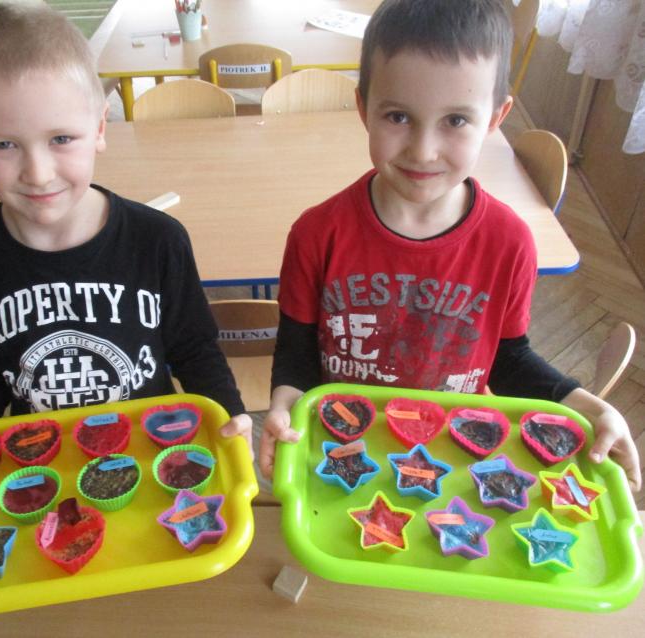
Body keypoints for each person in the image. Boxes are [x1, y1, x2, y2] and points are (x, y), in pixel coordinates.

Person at [258, 0, 641, 492]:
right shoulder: (316, 234)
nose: (423, 150)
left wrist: (588, 406)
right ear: (364, 109)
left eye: (456, 120)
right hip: (340, 449)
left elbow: (508, 358)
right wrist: (285, 404)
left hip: (449, 457)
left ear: (496, 117)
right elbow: (296, 354)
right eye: (398, 116)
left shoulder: (509, 243)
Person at [0, 1, 251, 484]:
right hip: (43, 470)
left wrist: (232, 417)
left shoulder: (158, 241)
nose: (38, 173)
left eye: (61, 138)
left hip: (153, 459)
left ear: (99, 127)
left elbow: (195, 351)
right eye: (3, 145)